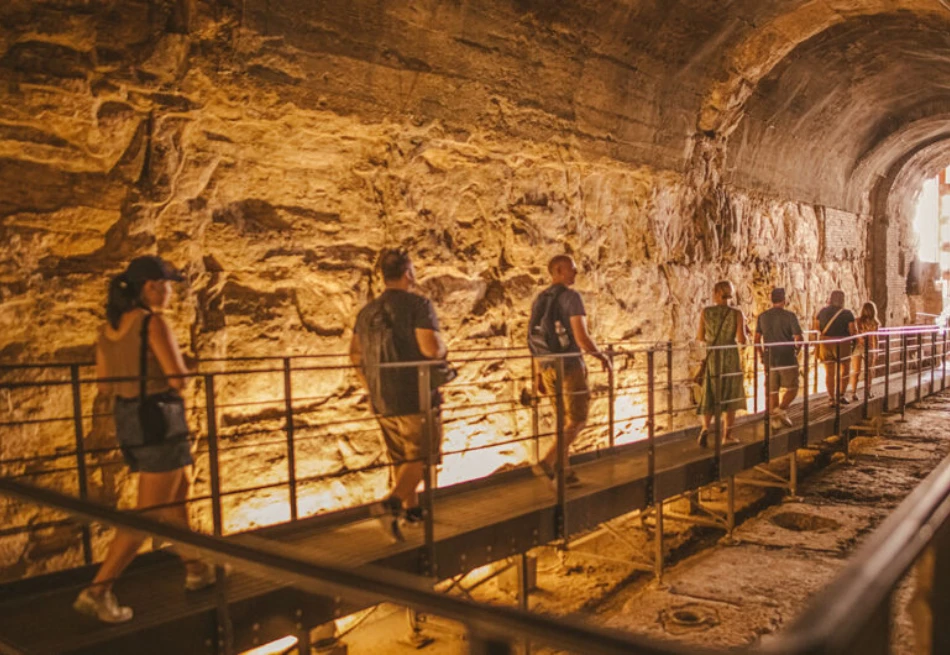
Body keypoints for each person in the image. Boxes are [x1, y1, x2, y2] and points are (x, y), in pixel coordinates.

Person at [74, 256, 214, 624]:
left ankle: (197, 568)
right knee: (150, 514)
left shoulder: (107, 330)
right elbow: (177, 378)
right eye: (165, 285)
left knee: (177, 496)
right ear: (148, 287)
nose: (169, 292)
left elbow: (105, 384)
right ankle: (98, 590)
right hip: (159, 421)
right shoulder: (153, 323)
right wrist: (183, 369)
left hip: (129, 421)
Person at [350, 249, 447, 541]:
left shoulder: (366, 312)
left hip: (382, 396)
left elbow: (355, 355)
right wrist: (443, 349)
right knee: (422, 456)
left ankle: (411, 510)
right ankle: (390, 506)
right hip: (413, 395)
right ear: (408, 273)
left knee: (400, 457)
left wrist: (371, 386)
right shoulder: (418, 305)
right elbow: (430, 348)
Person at [527, 254, 610, 487]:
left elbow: (535, 339)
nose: (576, 273)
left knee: (564, 421)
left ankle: (565, 473)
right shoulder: (571, 297)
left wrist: (538, 375)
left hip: (547, 367)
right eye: (572, 269)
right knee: (578, 419)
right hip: (569, 365)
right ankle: (547, 462)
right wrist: (601, 357)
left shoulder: (539, 299)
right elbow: (581, 337)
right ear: (559, 271)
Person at [696, 280, 747, 447]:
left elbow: (700, 337)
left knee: (710, 390)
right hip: (730, 355)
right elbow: (741, 339)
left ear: (716, 293)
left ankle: (705, 428)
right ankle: (727, 435)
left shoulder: (706, 312)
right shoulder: (736, 313)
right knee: (730, 392)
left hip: (713, 355)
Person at [754, 288, 803, 430]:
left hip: (770, 358)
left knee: (772, 391)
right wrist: (797, 350)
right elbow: (798, 338)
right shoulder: (790, 316)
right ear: (784, 300)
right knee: (793, 388)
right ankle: (780, 410)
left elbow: (757, 339)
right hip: (786, 357)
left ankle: (775, 421)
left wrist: (761, 354)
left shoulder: (762, 317)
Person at [813, 290, 857, 406]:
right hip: (842, 343)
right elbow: (852, 331)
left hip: (826, 343)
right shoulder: (847, 313)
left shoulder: (821, 312)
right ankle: (841, 394)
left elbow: (817, 329)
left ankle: (831, 398)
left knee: (829, 372)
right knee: (845, 370)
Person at [849, 301, 880, 402]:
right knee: (869, 371)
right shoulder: (875, 323)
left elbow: (855, 334)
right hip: (870, 347)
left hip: (858, 347)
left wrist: (860, 340)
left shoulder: (857, 321)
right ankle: (868, 392)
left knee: (856, 371)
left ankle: (853, 392)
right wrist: (876, 350)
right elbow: (876, 338)